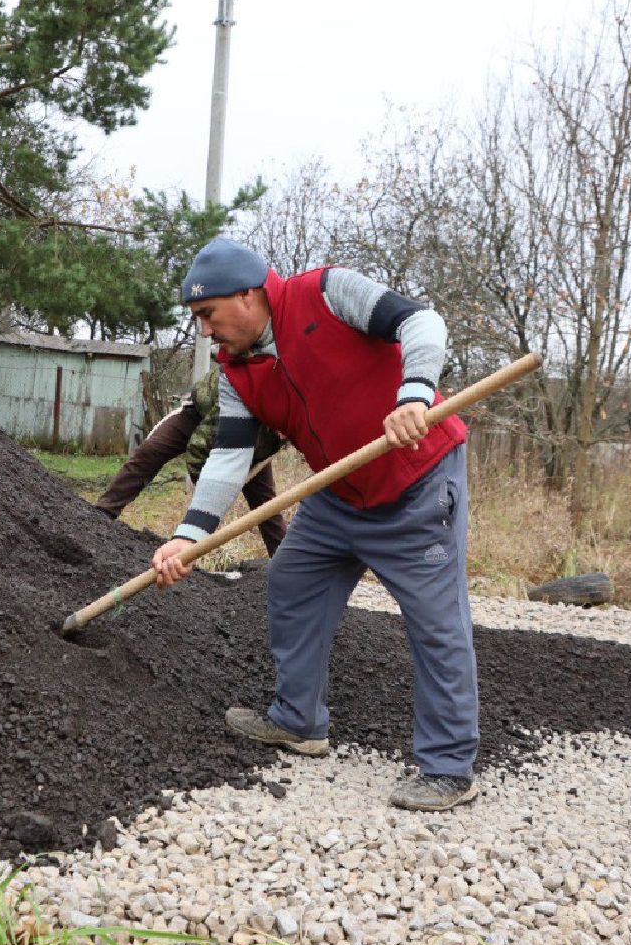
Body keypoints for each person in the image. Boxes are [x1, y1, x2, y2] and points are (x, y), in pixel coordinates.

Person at [151, 238, 479, 812]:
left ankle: (449, 766)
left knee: (435, 623)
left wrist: (415, 392)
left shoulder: (327, 293)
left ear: (248, 296)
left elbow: (421, 321)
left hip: (417, 483)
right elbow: (230, 455)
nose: (204, 331)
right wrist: (189, 535)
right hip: (338, 492)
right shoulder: (236, 369)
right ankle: (299, 720)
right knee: (293, 582)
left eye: (208, 315)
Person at [94, 366, 288, 556]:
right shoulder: (246, 389)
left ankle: (286, 562)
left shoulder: (289, 417)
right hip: (197, 415)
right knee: (149, 453)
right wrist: (208, 491)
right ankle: (101, 515)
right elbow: (199, 448)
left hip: (253, 446)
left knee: (266, 505)